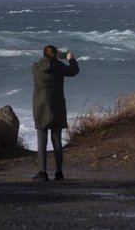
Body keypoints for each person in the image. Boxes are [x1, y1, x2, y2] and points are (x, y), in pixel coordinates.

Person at [32, 45, 79, 181]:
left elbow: (47, 64)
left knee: (42, 139)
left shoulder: (35, 67)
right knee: (57, 138)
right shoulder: (59, 67)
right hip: (57, 106)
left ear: (44, 54)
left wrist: (55, 57)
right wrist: (70, 58)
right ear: (56, 54)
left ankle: (42, 172)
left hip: (40, 107)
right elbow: (74, 71)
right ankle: (59, 172)